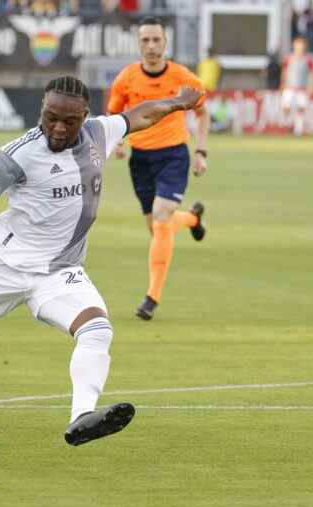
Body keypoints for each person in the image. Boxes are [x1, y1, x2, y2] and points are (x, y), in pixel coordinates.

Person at [0, 76, 202, 446]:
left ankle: (81, 416)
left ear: (85, 116)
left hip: (60, 273)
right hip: (1, 267)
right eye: (50, 117)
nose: (58, 128)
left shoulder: (100, 133)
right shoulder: (19, 154)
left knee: (97, 330)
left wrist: (178, 103)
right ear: (41, 110)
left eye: (69, 121)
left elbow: (140, 115)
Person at [106, 17, 210, 321]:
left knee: (162, 215)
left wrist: (201, 151)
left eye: (156, 40)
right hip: (141, 160)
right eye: (145, 41)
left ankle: (151, 297)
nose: (151, 46)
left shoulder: (183, 78)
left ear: (166, 43)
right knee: (157, 228)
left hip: (174, 155)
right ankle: (191, 218)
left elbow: (202, 114)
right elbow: (114, 114)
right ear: (138, 44)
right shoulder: (126, 78)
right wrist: (118, 141)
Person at [281, 36, 313, 136]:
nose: (299, 48)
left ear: (304, 47)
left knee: (301, 108)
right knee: (286, 106)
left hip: (302, 88)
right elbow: (285, 72)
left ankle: (298, 130)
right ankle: (288, 124)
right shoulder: (289, 58)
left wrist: (312, 85)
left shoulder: (308, 60)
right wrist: (283, 83)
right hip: (290, 87)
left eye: (301, 46)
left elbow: (312, 74)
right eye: (297, 46)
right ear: (294, 46)